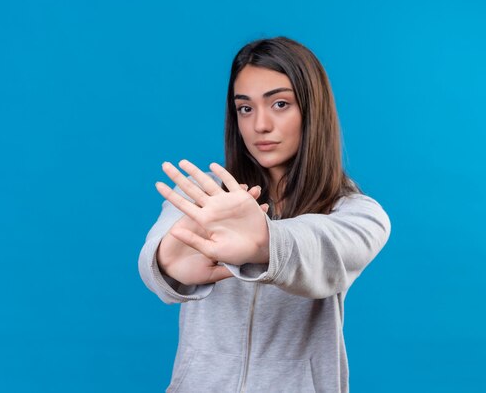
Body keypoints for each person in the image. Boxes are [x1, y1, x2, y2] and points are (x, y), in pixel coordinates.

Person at [138, 37, 391, 393]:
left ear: (312, 109)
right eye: (245, 108)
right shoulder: (206, 195)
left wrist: (263, 242)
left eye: (280, 104)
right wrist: (166, 262)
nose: (260, 125)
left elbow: (320, 246)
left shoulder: (358, 214)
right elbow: (158, 255)